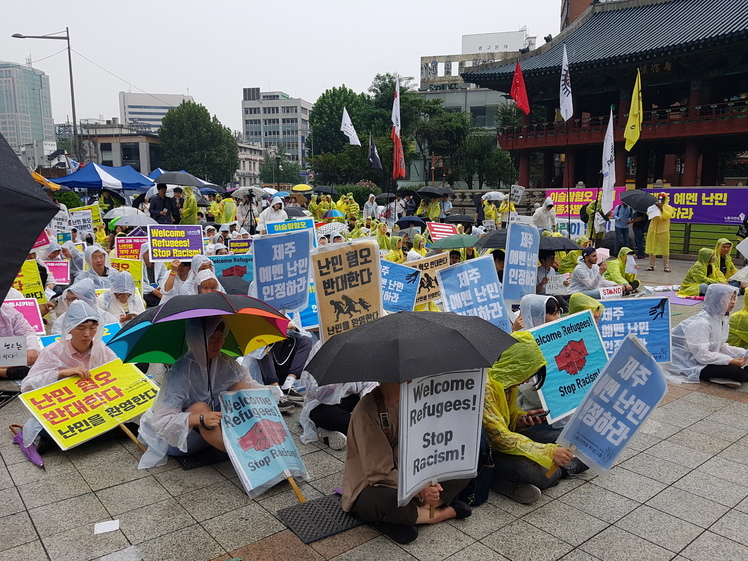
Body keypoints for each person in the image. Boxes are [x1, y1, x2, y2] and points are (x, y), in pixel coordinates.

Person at [342, 381, 472, 544]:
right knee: (392, 502)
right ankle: (439, 514)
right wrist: (420, 489)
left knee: (463, 468)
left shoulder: (413, 401)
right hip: (373, 486)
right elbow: (379, 473)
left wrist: (429, 476)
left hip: (410, 473)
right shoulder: (367, 411)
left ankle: (417, 513)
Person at [137, 318, 267, 468]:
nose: (218, 343)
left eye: (220, 336)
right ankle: (248, 458)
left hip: (214, 425)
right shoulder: (180, 372)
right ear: (196, 339)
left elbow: (250, 388)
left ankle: (263, 445)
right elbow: (162, 421)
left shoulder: (225, 363)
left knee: (241, 387)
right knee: (200, 407)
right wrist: (199, 418)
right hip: (178, 439)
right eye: (211, 338)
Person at [484, 330, 585, 504]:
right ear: (515, 365)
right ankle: (498, 482)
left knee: (577, 441)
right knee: (530, 471)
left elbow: (509, 421)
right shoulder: (485, 387)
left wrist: (523, 420)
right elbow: (498, 438)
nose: (525, 382)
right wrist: (549, 452)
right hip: (492, 452)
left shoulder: (508, 383)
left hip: (511, 441)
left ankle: (556, 470)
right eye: (526, 374)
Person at [21, 301, 118, 446]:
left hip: (95, 404)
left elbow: (116, 371)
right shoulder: (53, 351)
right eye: (80, 328)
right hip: (67, 409)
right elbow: (28, 385)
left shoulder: (100, 348)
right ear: (69, 329)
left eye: (92, 328)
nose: (87, 334)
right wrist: (61, 373)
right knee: (43, 428)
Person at [665, 284, 748, 388]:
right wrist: (729, 360)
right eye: (730, 298)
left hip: (704, 356)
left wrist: (743, 353)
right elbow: (701, 355)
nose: (733, 302)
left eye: (735, 298)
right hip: (687, 360)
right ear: (717, 300)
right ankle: (715, 377)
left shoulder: (721, 319)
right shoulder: (701, 322)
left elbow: (720, 346)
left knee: (740, 364)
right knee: (737, 373)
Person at [0, 303, 40, 380]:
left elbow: (27, 332)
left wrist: (31, 348)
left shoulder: (7, 311)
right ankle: (4, 373)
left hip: (9, 355)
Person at [645, 193, 674, 272]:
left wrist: (661, 209)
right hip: (653, 230)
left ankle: (666, 266)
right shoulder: (654, 207)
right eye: (659, 198)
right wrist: (654, 209)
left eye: (662, 198)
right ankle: (651, 265)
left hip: (663, 230)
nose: (661, 199)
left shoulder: (669, 208)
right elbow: (648, 213)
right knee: (652, 247)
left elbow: (667, 216)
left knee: (665, 249)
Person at [140, 243, 168, 308]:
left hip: (159, 290)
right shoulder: (138, 265)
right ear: (143, 254)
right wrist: (152, 290)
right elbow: (140, 281)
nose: (151, 255)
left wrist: (159, 287)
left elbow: (163, 277)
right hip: (146, 292)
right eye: (148, 252)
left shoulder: (160, 264)